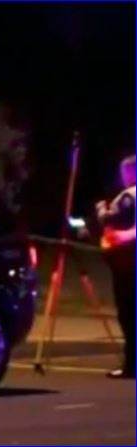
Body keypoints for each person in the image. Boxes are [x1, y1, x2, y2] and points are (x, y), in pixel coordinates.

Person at [96, 154, 136, 379]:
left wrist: (101, 210)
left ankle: (132, 365)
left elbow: (111, 219)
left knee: (128, 314)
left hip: (128, 264)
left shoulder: (129, 196)